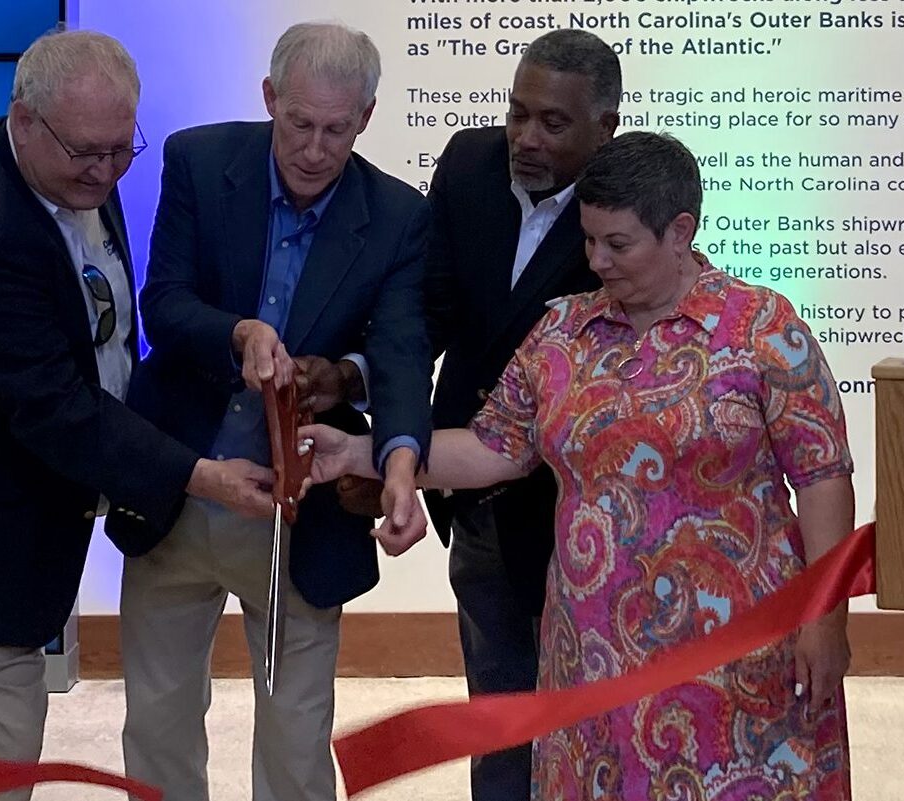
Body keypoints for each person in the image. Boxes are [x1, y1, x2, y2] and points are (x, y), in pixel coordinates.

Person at [305, 132, 855, 800]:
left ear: (680, 231)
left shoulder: (765, 330)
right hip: (591, 658)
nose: (596, 260)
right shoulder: (563, 333)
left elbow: (822, 474)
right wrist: (365, 450)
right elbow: (493, 448)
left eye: (617, 244)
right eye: (589, 239)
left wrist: (824, 619)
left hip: (739, 660)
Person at [0, 30, 273, 800]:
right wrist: (201, 475)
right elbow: (58, 411)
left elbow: (102, 329)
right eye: (85, 153)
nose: (105, 173)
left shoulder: (53, 166)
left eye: (119, 150)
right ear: (24, 120)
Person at [115, 21, 433, 801]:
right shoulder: (198, 160)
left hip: (303, 503)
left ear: (366, 118)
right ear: (269, 98)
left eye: (337, 129)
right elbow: (164, 303)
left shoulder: (396, 214)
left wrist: (399, 467)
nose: (316, 148)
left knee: (296, 735)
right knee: (158, 719)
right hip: (183, 482)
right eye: (299, 124)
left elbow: (397, 353)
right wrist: (240, 332)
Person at [422, 28, 619, 801]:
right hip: (482, 501)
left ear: (604, 130)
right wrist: (384, 414)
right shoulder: (469, 165)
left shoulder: (626, 202)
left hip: (589, 511)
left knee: (593, 722)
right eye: (517, 112)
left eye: (552, 123)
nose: (524, 138)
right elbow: (431, 311)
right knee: (502, 714)